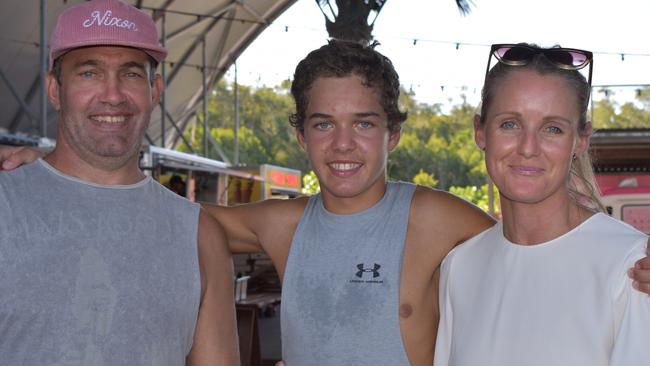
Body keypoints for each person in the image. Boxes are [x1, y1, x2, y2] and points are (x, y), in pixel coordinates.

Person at [3, 40, 650, 365]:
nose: (343, 146)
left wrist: (631, 257)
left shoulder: (439, 219)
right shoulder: (281, 225)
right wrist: (59, 168)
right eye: (322, 125)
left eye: (364, 124)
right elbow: (147, 211)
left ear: (393, 132)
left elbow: (545, 252)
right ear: (300, 133)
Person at [0, 0, 239, 365]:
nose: (112, 95)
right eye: (89, 73)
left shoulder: (199, 235)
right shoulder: (7, 204)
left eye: (130, 74)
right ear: (54, 89)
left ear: (155, 90)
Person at [434, 43, 650, 366]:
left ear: (580, 140)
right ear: (481, 132)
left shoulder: (630, 266)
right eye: (510, 124)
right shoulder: (458, 268)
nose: (528, 147)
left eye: (552, 129)